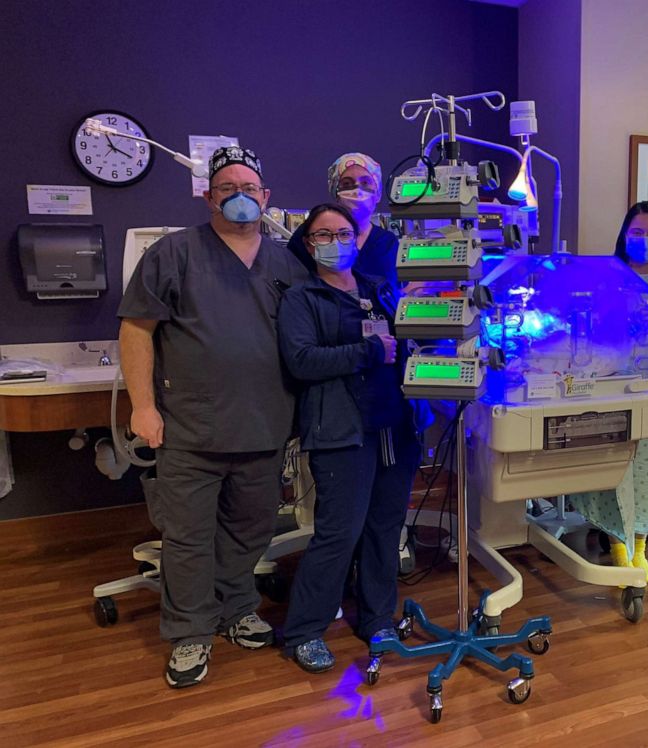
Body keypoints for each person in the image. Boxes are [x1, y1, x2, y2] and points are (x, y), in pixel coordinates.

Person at [118, 146, 307, 688]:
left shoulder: (284, 262)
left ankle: (236, 607)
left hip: (264, 425)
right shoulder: (174, 253)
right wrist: (144, 406)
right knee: (189, 536)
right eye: (227, 188)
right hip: (190, 427)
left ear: (266, 198)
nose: (240, 196)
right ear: (209, 197)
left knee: (249, 531)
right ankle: (190, 633)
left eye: (250, 188)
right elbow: (137, 331)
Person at [277, 203, 424, 673]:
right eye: (324, 234)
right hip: (341, 430)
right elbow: (301, 360)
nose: (335, 241)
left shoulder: (376, 291)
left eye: (343, 232)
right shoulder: (302, 299)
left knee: (385, 528)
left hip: (393, 426)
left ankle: (377, 617)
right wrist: (366, 351)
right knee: (339, 533)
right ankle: (304, 630)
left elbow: (402, 341)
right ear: (308, 242)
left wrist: (421, 309)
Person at [570, 202, 648, 582]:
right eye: (637, 232)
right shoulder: (606, 278)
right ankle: (618, 546)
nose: (645, 240)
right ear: (625, 234)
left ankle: (640, 548)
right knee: (617, 466)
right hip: (613, 390)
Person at [287, 152, 399, 290]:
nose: (357, 190)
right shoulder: (310, 234)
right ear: (335, 191)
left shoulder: (387, 243)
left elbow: (393, 293)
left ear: (378, 192)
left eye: (365, 182)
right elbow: (293, 284)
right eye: (347, 183)